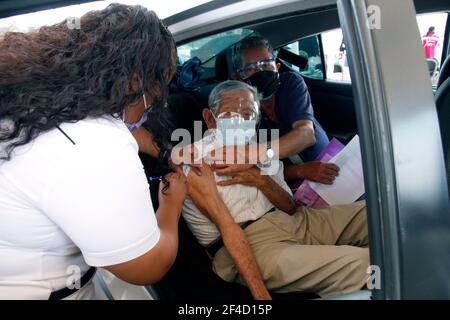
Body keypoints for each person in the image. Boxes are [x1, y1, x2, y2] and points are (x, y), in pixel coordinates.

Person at [0, 4, 187, 299]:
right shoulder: (96, 147)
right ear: (135, 82)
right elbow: (146, 267)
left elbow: (116, 121)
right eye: (157, 88)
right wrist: (170, 206)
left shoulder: (31, 95)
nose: (154, 103)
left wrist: (167, 154)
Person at [183, 80, 370, 299]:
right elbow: (227, 229)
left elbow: (290, 207)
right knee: (364, 264)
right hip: (252, 245)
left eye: (248, 115)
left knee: (375, 213)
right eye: (230, 114)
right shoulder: (194, 158)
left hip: (294, 221)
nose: (240, 122)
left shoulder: (261, 148)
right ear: (210, 118)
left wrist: (261, 180)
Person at [210, 35, 340, 185]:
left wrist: (252, 154)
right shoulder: (238, 112)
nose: (260, 71)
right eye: (250, 68)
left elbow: (306, 134)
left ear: (277, 67)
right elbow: (258, 170)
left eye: (266, 64)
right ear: (237, 78)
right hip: (294, 187)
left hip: (331, 165)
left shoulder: (290, 83)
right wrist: (301, 170)